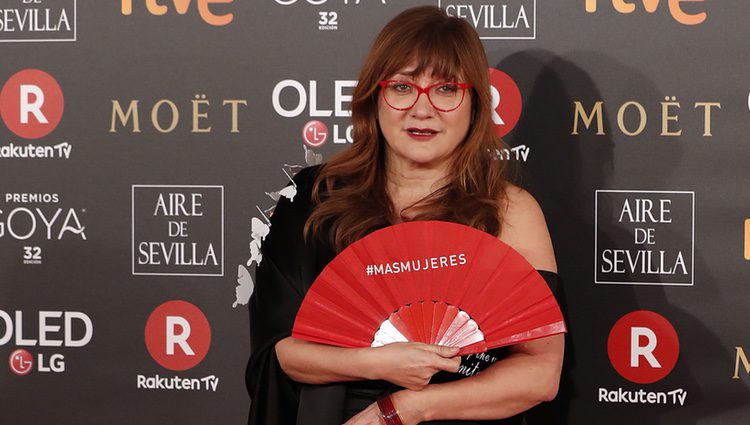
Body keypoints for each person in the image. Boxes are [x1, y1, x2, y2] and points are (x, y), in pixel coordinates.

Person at [246, 6, 564, 425]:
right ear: (373, 96)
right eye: (402, 87)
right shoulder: (311, 199)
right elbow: (279, 352)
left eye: (446, 89)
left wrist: (402, 410)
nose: (422, 109)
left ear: (474, 104)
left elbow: (540, 374)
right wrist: (377, 363)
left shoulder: (508, 212)